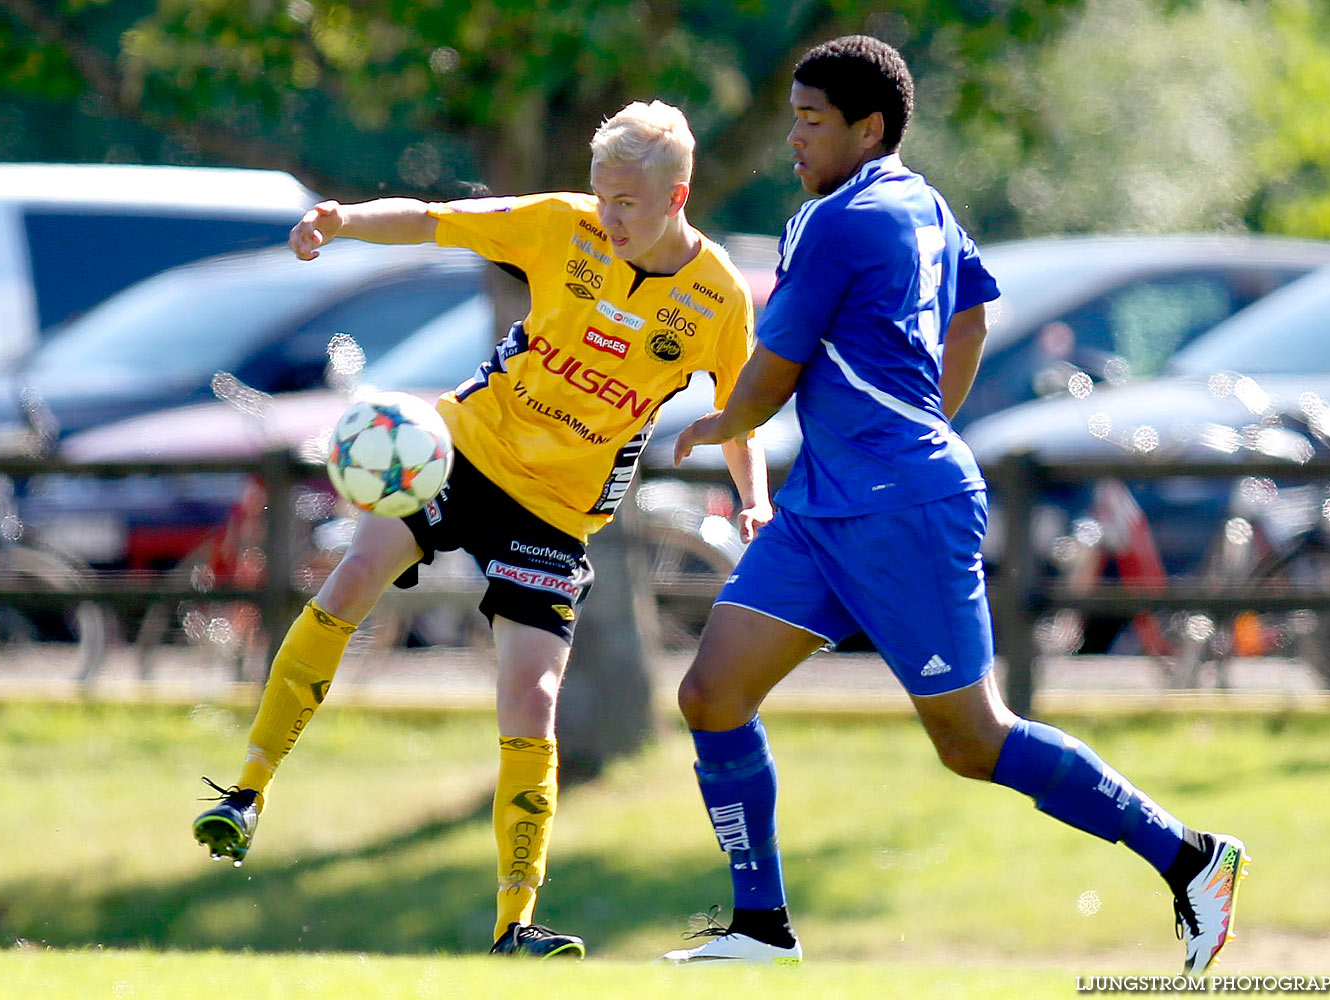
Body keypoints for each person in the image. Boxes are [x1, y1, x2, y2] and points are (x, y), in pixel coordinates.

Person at [658, 36, 1248, 974]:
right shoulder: (921, 200)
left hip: (902, 512)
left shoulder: (838, 220)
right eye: (793, 119)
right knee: (712, 691)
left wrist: (725, 419)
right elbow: (976, 309)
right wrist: (926, 412)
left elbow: (775, 371)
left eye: (811, 122)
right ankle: (760, 927)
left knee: (974, 742)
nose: (793, 140)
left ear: (869, 128)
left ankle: (1194, 859)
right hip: (828, 506)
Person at [191, 100, 772, 960]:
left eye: (626, 203)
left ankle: (515, 924)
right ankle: (246, 790)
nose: (606, 217)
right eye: (600, 195)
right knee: (351, 583)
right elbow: (436, 222)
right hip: (462, 448)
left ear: (678, 194)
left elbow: (742, 413)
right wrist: (343, 219)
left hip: (559, 510)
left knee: (532, 700)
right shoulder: (562, 227)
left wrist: (753, 497)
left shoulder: (715, 294)